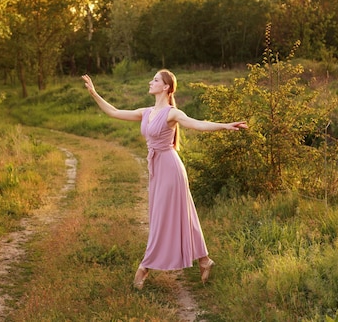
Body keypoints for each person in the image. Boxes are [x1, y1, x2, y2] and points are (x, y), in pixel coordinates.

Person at [81, 70, 247, 289]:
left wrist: (224, 126)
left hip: (170, 169)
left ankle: (145, 267)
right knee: (183, 216)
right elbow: (113, 112)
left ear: (166, 87)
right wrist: (94, 93)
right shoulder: (146, 112)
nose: (151, 82)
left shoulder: (172, 113)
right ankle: (205, 261)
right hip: (157, 169)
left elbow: (197, 124)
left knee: (161, 219)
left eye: (156, 80)